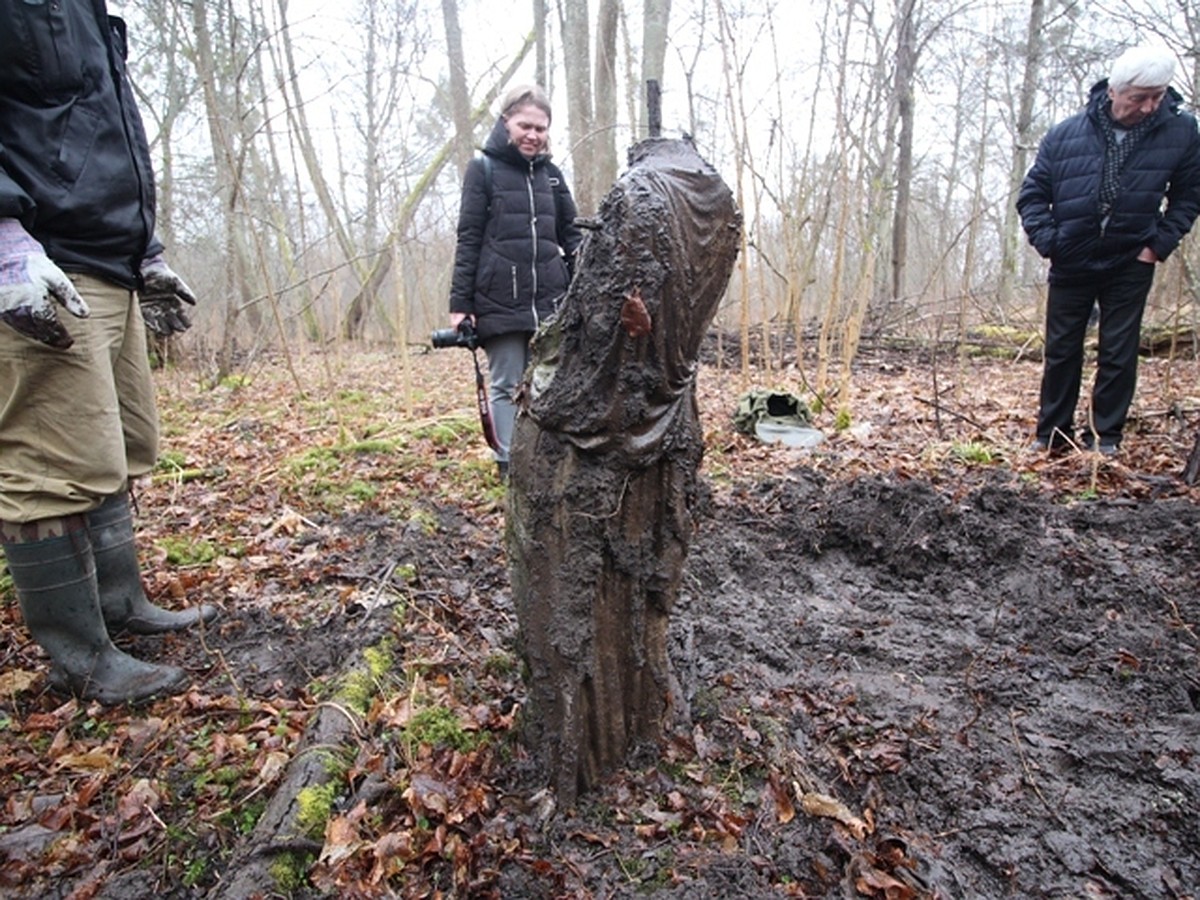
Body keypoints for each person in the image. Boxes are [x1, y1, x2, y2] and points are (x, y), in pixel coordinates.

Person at [0, 2, 217, 705]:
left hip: (107, 258)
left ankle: (120, 606)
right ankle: (80, 655)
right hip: (38, 256)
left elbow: (89, 129)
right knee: (52, 464)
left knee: (120, 445)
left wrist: (143, 250)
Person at [1018, 44, 1200, 456]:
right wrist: (1050, 243)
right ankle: (1052, 435)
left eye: (1157, 96)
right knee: (1062, 349)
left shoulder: (1182, 131)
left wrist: (1157, 246)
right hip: (1072, 258)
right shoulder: (1066, 134)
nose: (1151, 107)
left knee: (1119, 351)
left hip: (1131, 258)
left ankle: (1105, 438)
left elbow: (1189, 196)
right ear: (1115, 91)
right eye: (1140, 98)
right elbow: (1032, 195)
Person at [448, 85, 584, 478]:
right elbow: (469, 236)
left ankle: (549, 462)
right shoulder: (483, 170)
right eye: (525, 125)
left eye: (540, 128)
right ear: (506, 122)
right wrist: (461, 305)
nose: (533, 135)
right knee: (507, 383)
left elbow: (571, 236)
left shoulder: (553, 177)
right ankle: (511, 465)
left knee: (551, 383)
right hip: (498, 298)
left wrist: (587, 285)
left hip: (551, 302)